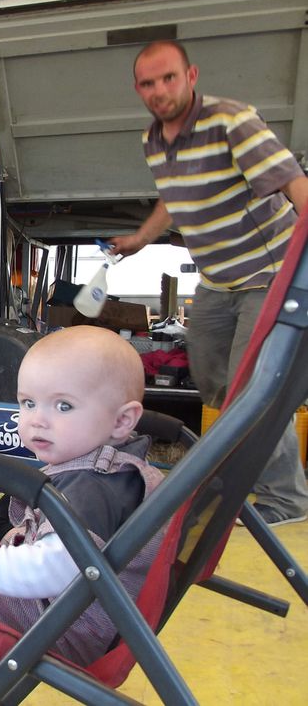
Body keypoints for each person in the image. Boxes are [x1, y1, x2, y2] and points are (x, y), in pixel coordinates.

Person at [109, 39, 308, 527]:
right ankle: (241, 478)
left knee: (252, 389)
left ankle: (286, 501)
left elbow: (292, 181)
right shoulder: (153, 140)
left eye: (169, 78)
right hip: (217, 283)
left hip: (270, 274)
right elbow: (174, 200)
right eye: (149, 83)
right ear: (138, 89)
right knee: (212, 380)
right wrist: (140, 238)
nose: (160, 90)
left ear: (191, 75)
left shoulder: (231, 121)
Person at [0, 326, 164, 666]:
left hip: (63, 625)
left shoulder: (93, 486)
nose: (37, 420)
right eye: (28, 402)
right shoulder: (117, 471)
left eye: (64, 405)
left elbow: (56, 569)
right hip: (90, 615)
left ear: (121, 421)